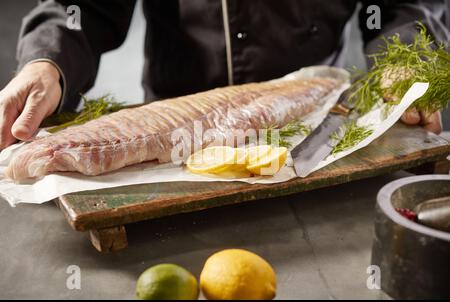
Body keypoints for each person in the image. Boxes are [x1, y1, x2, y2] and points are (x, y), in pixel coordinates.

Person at [0, 0, 448, 150]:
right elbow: (85, 7)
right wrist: (47, 60)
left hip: (317, 117)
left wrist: (404, 56)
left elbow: (403, 4)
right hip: (173, 116)